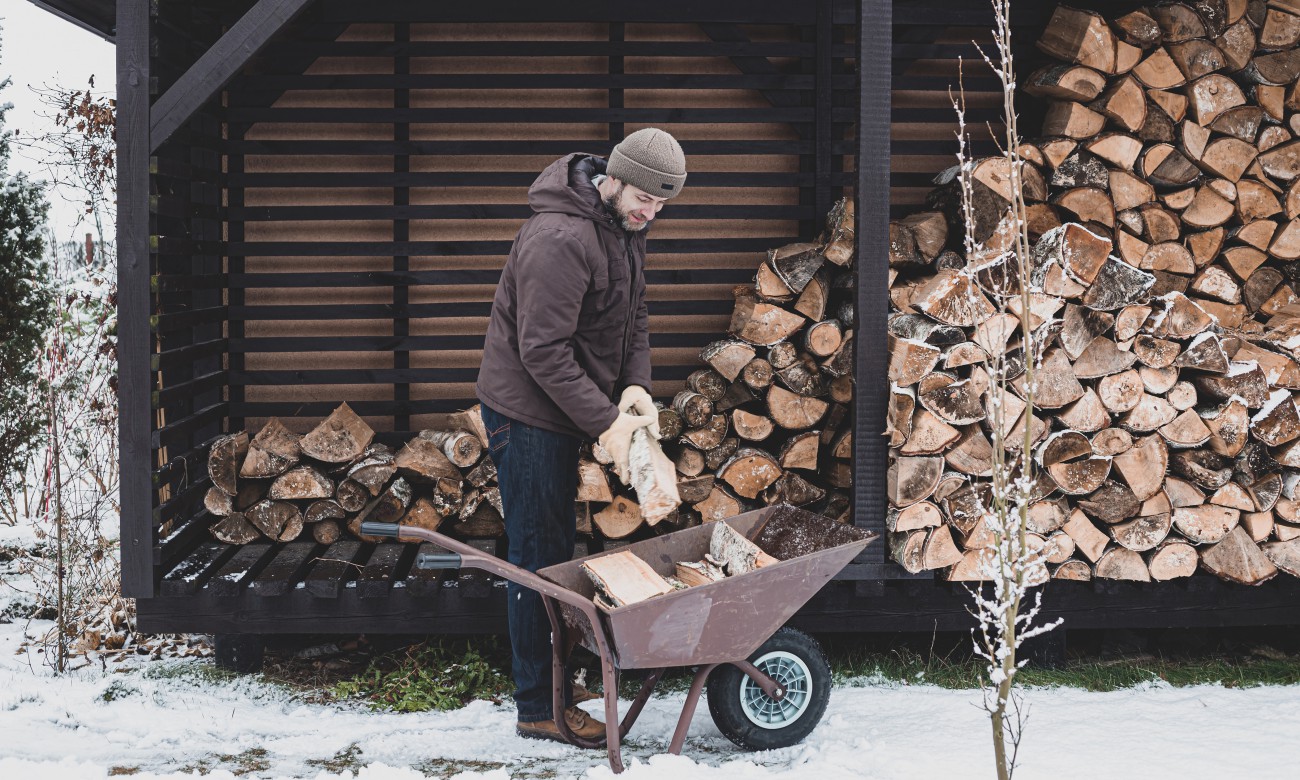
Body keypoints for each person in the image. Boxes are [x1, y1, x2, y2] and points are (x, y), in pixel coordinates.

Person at [475, 128, 687, 743]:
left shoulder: (622, 227)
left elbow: (635, 314)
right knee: (539, 560)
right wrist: (606, 422)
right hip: (527, 413)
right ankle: (539, 707)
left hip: (567, 403)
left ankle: (559, 677)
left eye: (663, 203)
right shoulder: (561, 238)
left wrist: (635, 385)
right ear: (614, 177)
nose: (652, 212)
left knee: (559, 549)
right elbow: (541, 352)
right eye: (646, 197)